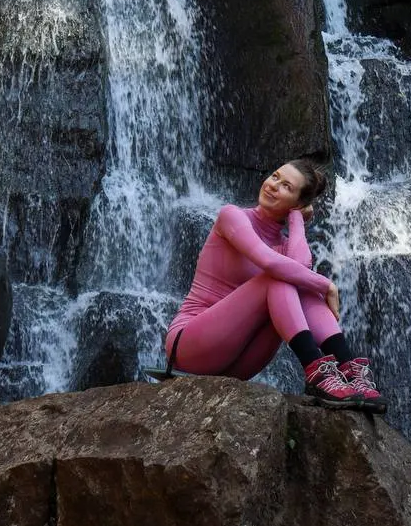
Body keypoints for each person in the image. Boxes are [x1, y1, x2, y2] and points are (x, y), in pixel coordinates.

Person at [165, 158, 385, 412]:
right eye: (275, 176)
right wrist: (327, 285)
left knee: (295, 279)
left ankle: (349, 369)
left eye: (286, 187)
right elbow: (269, 263)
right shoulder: (231, 216)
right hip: (190, 346)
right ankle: (318, 372)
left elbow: (300, 269)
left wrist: (297, 221)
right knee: (279, 276)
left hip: (240, 363)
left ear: (299, 204)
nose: (273, 185)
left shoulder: (285, 242)